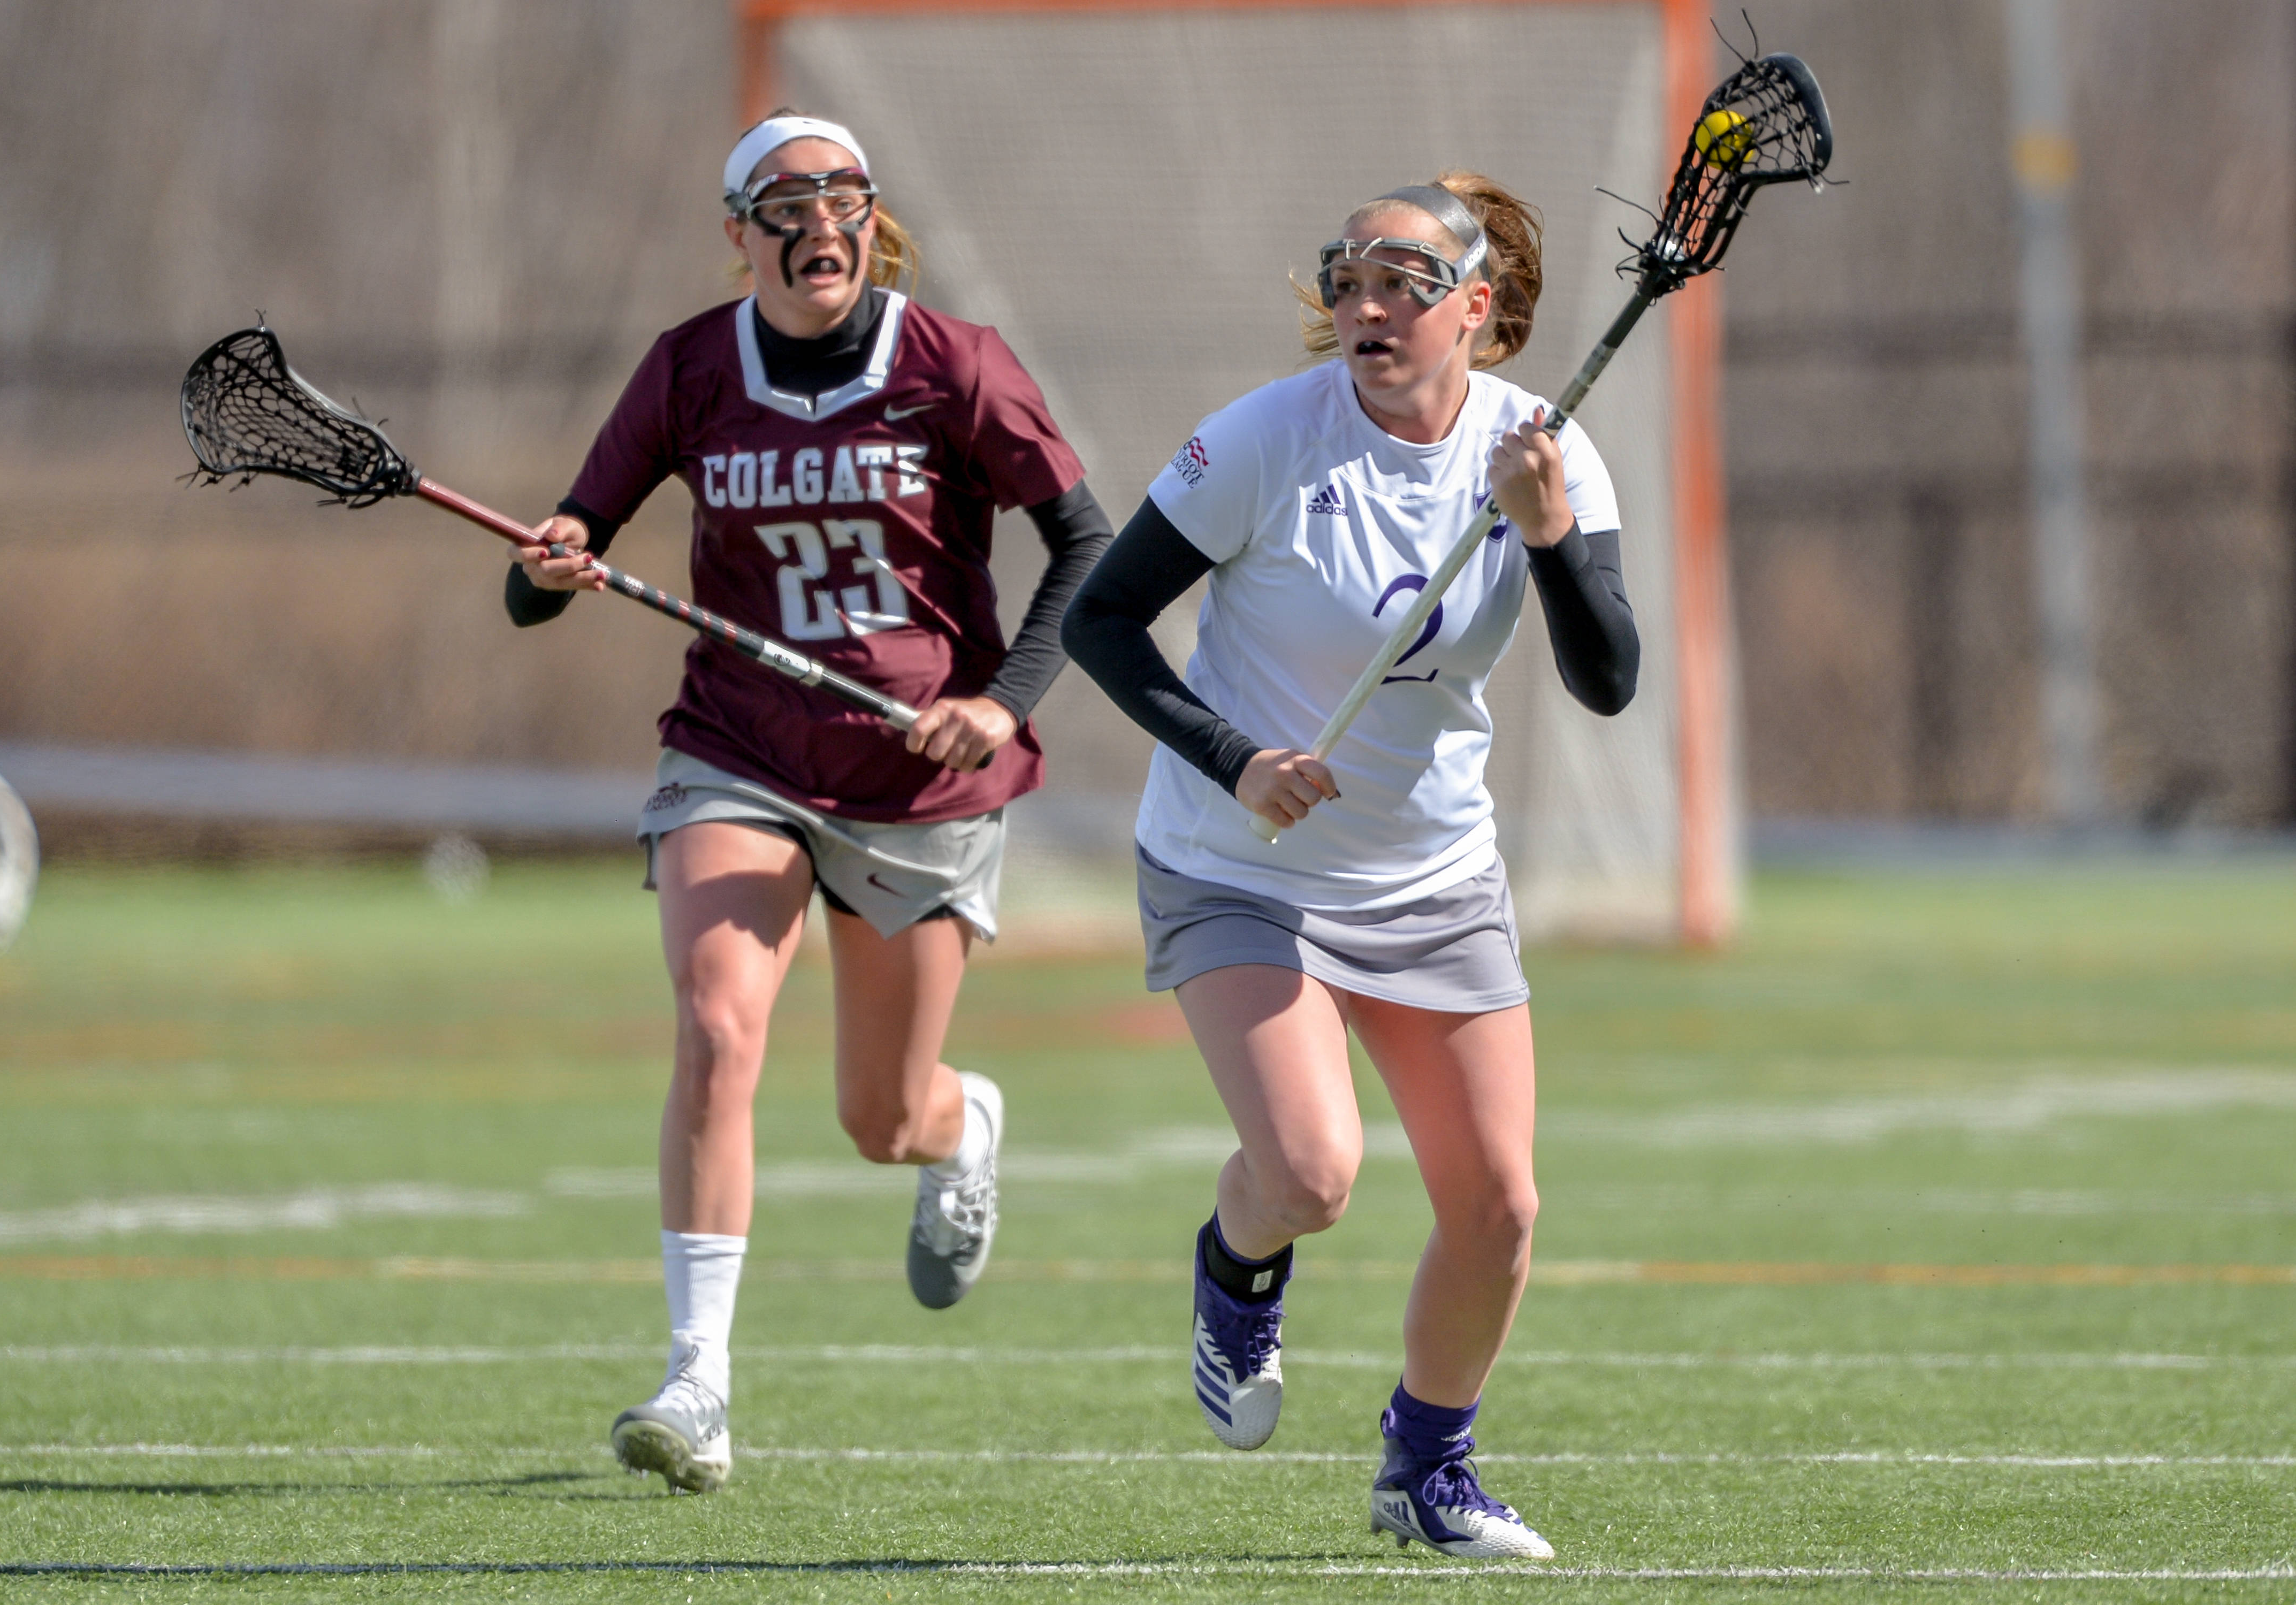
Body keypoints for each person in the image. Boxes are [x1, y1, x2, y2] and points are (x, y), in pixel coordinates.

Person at [509, 112, 1111, 1494]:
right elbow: (557, 556)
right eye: (786, 205)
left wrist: (1001, 703)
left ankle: (962, 1127)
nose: (820, 225)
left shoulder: (955, 363)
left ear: (870, 221)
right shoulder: (689, 369)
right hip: (739, 751)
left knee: (881, 1121)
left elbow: (1088, 545)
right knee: (719, 1026)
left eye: (844, 199)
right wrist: (555, 560)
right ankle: (698, 1380)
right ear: (740, 235)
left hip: (919, 777)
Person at [1063, 173, 1638, 1560]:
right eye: (1348, 283)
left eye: (1403, 285)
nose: (1368, 310)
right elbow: (1103, 621)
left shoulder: (1545, 451)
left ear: (1476, 308)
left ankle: (1427, 1469)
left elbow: (1609, 679)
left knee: (1499, 1208)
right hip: (1238, 864)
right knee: (1314, 1175)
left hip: (1433, 876)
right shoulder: (1266, 440)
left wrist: (1551, 535)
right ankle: (1236, 1263)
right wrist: (1235, 760)